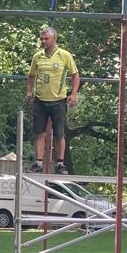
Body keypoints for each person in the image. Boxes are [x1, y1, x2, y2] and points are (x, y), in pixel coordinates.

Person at [26, 26, 79, 174]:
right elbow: (31, 75)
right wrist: (29, 91)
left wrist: (73, 94)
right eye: (42, 39)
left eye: (46, 39)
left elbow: (75, 75)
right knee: (39, 132)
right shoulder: (38, 56)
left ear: (54, 39)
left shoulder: (64, 55)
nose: (44, 41)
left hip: (58, 100)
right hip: (40, 100)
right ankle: (38, 162)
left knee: (59, 133)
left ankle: (60, 164)